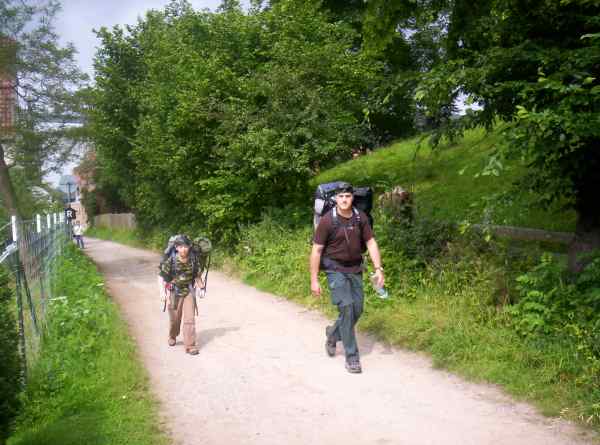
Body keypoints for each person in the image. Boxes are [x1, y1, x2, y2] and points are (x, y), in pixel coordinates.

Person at [310, 182, 385, 374]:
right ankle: (352, 357)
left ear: (353, 198)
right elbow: (317, 250)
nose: (344, 200)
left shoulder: (361, 218)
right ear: (335, 198)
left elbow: (371, 242)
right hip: (334, 269)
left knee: (357, 309)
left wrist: (379, 269)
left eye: (348, 196)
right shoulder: (327, 221)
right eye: (341, 196)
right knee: (347, 307)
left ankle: (333, 334)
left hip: (355, 269)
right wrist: (314, 279)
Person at [158, 235, 204, 355]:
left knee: (190, 319)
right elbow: (161, 277)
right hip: (174, 292)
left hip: (188, 291)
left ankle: (190, 345)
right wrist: (162, 292)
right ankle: (172, 335)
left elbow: (197, 276)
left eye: (186, 246)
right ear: (176, 248)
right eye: (181, 247)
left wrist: (201, 287)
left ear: (189, 247)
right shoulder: (171, 260)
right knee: (175, 319)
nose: (183, 249)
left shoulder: (193, 260)